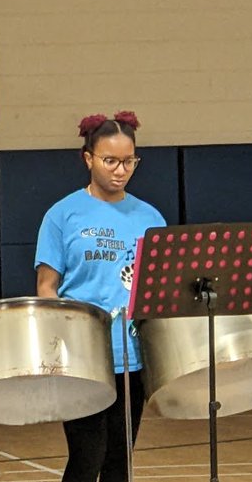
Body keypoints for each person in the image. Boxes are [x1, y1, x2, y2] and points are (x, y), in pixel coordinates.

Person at [35, 111, 165, 482]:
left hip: (132, 358)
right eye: (110, 161)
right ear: (88, 158)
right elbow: (47, 286)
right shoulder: (62, 215)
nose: (120, 170)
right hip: (83, 357)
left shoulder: (150, 217)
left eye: (129, 161)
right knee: (87, 455)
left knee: (119, 461)